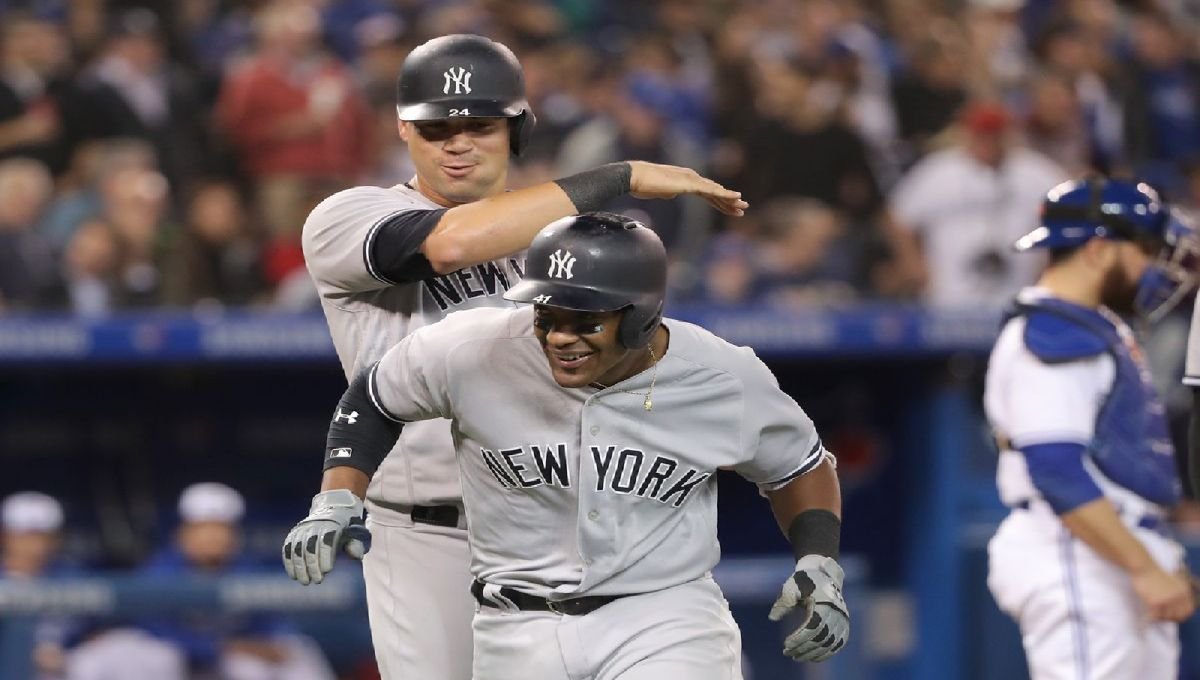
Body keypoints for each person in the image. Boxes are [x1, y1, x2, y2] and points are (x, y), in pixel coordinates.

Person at [290, 33, 747, 680]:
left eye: (480, 124)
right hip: (429, 533)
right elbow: (450, 246)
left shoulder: (560, 243)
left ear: (519, 129)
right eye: (435, 127)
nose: (457, 142)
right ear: (403, 131)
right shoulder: (349, 215)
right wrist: (622, 177)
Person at [285, 212, 848, 679]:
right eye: (546, 316)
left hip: (662, 617)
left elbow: (799, 465)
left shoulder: (722, 375)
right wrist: (337, 497)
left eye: (584, 321)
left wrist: (818, 556)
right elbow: (375, 397)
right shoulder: (475, 347)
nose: (559, 337)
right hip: (515, 627)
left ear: (642, 316)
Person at [985, 176, 1199, 679]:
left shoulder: (1091, 325)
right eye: (1145, 249)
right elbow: (1056, 469)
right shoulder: (1054, 333)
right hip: (1074, 555)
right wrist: (1143, 567)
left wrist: (1150, 556)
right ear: (1100, 250)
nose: (1154, 268)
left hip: (1108, 553)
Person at [139, 483, 335, 680]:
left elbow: (272, 622)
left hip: (232, 659)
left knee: (294, 649)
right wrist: (218, 647)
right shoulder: (160, 572)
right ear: (183, 534)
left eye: (221, 529)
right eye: (203, 529)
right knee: (161, 657)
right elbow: (152, 630)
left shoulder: (248, 569)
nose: (213, 537)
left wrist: (267, 644)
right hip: (189, 663)